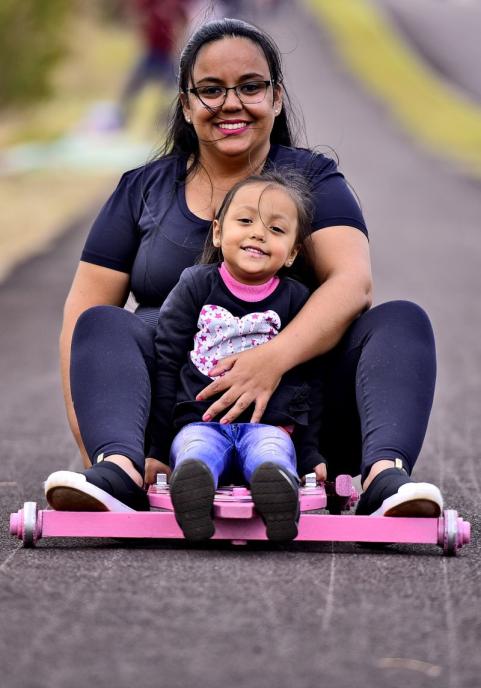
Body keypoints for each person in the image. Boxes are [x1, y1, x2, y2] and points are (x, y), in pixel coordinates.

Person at [44, 18, 443, 524]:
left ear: (276, 98)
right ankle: (117, 471)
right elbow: (82, 309)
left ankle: (384, 479)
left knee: (402, 321)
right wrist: (93, 447)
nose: (231, 103)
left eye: (250, 86)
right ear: (186, 105)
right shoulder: (141, 189)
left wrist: (271, 360)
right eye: (210, 90)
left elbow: (352, 283)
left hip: (299, 428)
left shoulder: (314, 179)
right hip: (170, 435)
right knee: (101, 324)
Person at [151, 170, 325, 541]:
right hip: (200, 422)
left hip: (269, 426)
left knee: (273, 453)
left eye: (277, 230)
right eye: (245, 221)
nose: (258, 233)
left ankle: (278, 496)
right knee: (196, 452)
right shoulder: (196, 285)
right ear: (217, 232)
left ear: (293, 252)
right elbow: (166, 361)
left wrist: (309, 454)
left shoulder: (296, 300)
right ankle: (192, 494)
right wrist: (156, 449)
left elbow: (309, 380)